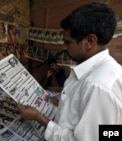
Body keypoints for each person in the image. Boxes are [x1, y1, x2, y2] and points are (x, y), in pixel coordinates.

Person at [17, 2, 122, 141]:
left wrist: (39, 118)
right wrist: (62, 104)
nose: (64, 47)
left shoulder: (98, 86)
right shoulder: (104, 70)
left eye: (68, 42)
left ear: (89, 41)